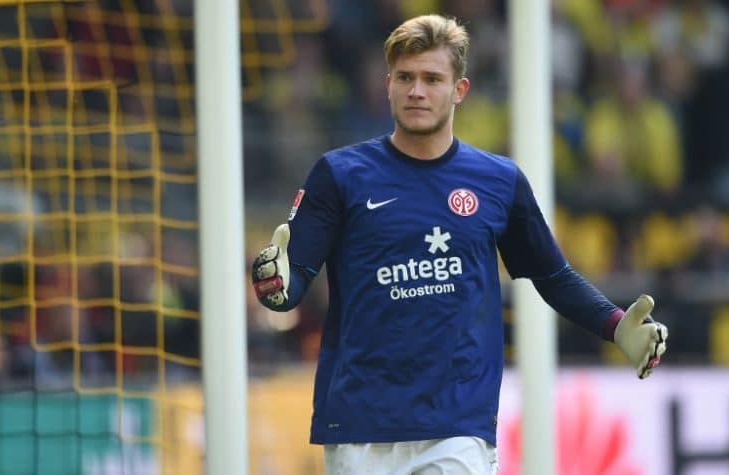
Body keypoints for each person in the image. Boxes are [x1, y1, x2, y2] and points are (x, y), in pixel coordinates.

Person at [251, 14, 668, 474]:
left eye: (432, 79)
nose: (417, 91)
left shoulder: (498, 180)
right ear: (388, 85)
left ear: (459, 90)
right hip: (360, 423)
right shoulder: (340, 175)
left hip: (457, 424)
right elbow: (290, 283)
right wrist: (272, 281)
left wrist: (617, 327)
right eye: (406, 78)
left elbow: (553, 276)